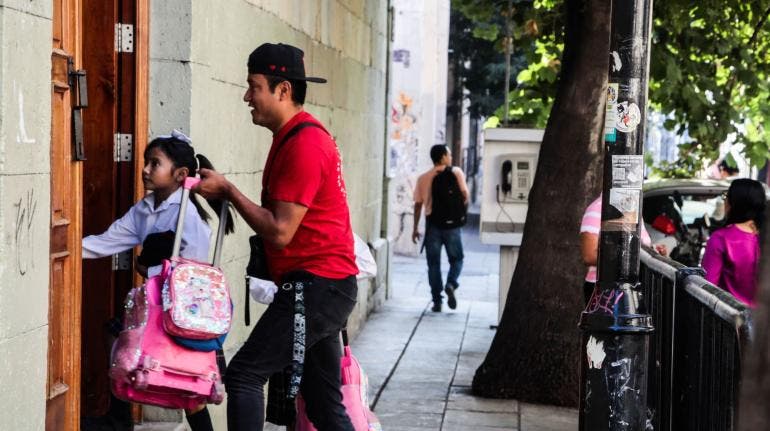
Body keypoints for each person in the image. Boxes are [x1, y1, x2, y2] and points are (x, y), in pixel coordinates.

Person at [193, 42, 359, 431]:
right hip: (324, 288)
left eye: (254, 86)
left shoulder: (305, 144)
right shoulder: (295, 137)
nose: (247, 96)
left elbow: (281, 232)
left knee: (245, 374)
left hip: (317, 287)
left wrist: (229, 192)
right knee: (323, 408)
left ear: (282, 90)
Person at [82, 131, 232, 431]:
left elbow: (194, 278)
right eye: (146, 162)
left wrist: (147, 269)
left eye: (155, 163)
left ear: (180, 174)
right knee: (116, 337)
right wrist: (64, 248)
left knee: (190, 388)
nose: (145, 170)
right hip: (156, 303)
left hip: (184, 312)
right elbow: (109, 240)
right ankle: (118, 418)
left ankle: (120, 419)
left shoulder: (188, 217)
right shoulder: (146, 208)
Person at [412, 144, 469, 312]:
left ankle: (437, 301)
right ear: (443, 156)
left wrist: (415, 228)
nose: (451, 157)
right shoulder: (456, 172)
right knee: (457, 259)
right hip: (452, 226)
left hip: (432, 226)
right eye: (449, 154)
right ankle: (451, 283)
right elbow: (465, 195)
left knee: (433, 265)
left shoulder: (423, 178)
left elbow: (417, 205)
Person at [579, 194, 664, 304]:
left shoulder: (632, 209)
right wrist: (629, 257)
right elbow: (589, 256)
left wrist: (653, 250)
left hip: (632, 288)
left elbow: (638, 244)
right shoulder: (597, 208)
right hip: (606, 291)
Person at [701, 178, 765, 306]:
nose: (725, 200)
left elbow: (708, 287)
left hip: (731, 320)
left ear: (733, 203)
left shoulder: (721, 238)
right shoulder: (764, 237)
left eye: (726, 196)